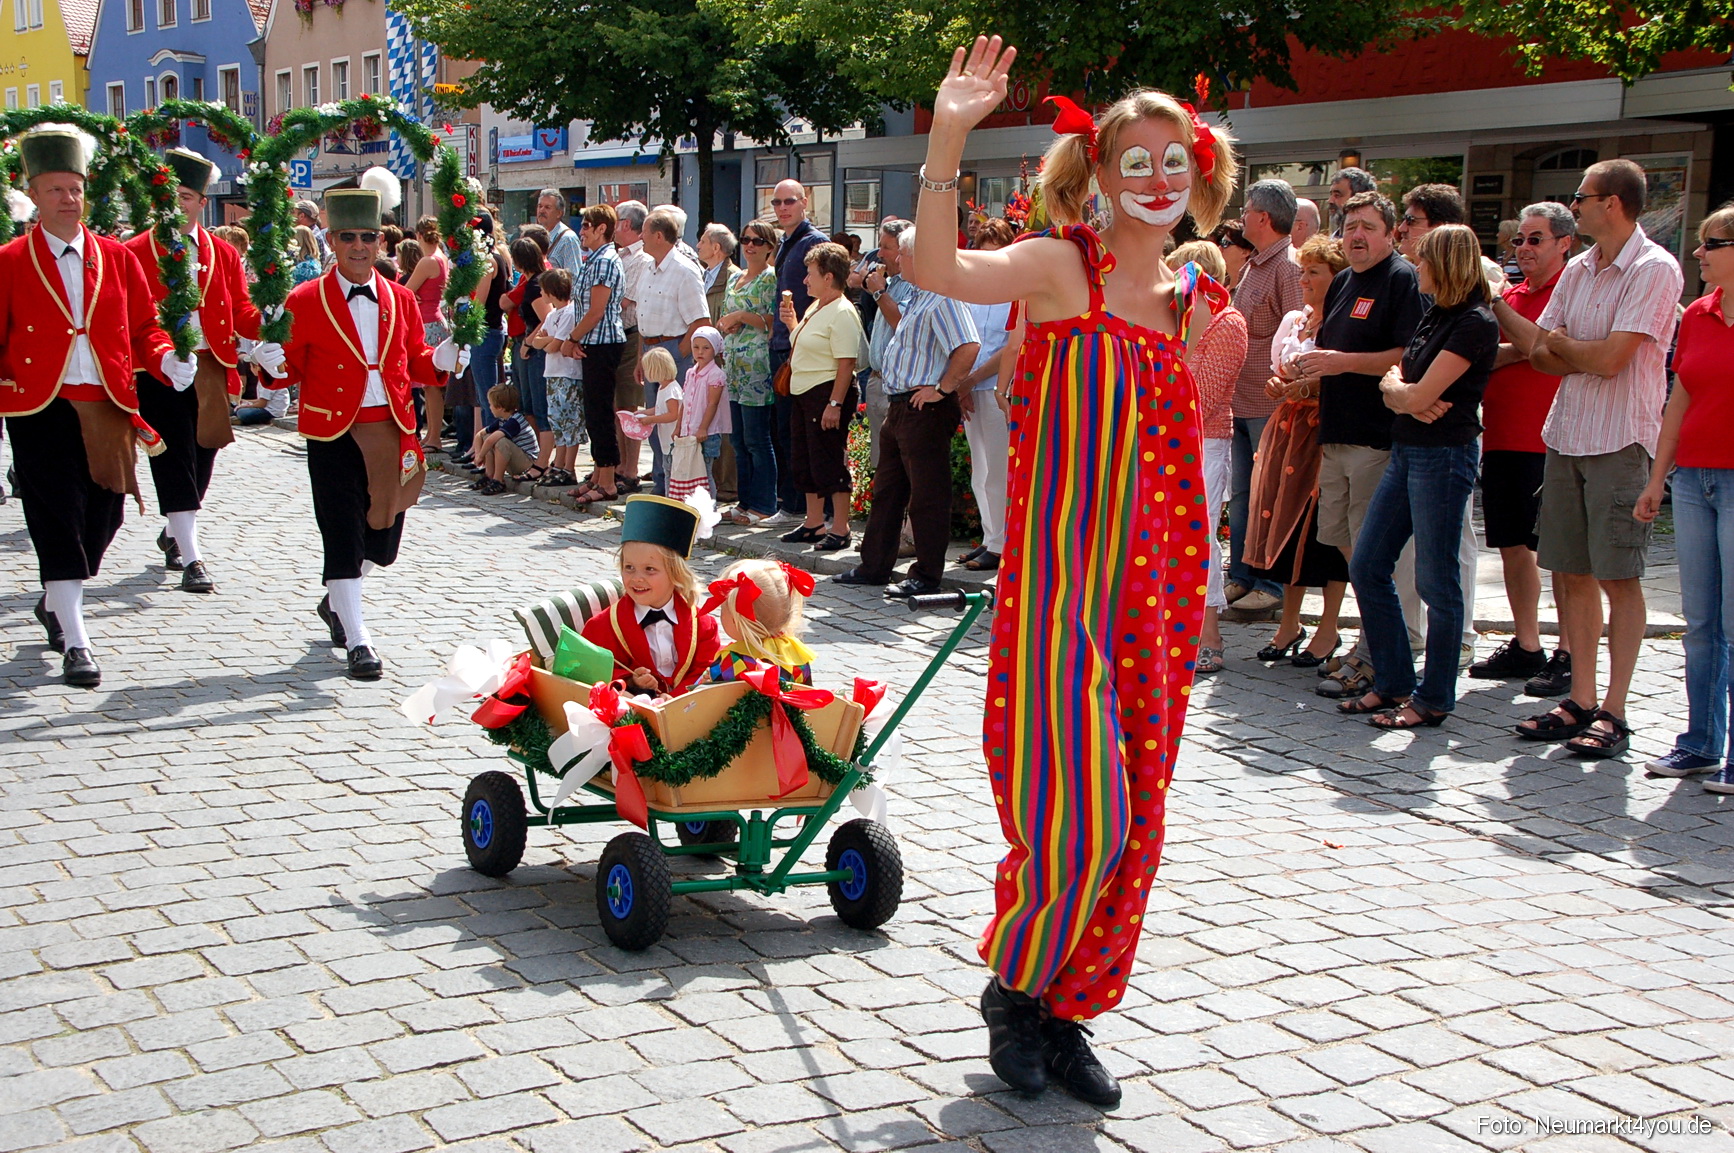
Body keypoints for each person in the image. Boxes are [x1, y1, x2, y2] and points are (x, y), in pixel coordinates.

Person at [909, 37, 1235, 1108]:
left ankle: (1069, 1010)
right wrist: (951, 135)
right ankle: (1015, 986)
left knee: (1134, 822)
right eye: (1133, 162)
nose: (1155, 179)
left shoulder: (1187, 290)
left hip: (1155, 593)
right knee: (1075, 817)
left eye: (1172, 161)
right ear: (1096, 176)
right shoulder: (1063, 266)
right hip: (1060, 595)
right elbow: (938, 270)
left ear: (1199, 173)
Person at [0, 125, 180, 687]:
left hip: (108, 402)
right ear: (34, 194)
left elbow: (145, 325)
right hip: (40, 406)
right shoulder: (8, 260)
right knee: (56, 515)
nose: (68, 199)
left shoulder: (116, 258)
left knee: (105, 514)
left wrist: (166, 355)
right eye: (55, 189)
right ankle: (76, 639)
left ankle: (57, 601)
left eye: (75, 188)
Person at [1517, 159, 1683, 759]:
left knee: (1619, 575)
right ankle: (1580, 697)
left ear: (1612, 203)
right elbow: (1539, 350)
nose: (1575, 206)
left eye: (1581, 197)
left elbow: (1614, 360)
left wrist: (1569, 347)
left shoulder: (1655, 269)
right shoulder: (1580, 269)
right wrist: (1572, 349)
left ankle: (1615, 709)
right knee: (1569, 571)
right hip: (1566, 434)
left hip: (1620, 440)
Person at [272, 187, 468, 680]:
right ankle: (359, 640)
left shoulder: (400, 299)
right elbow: (285, 367)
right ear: (332, 242)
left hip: (393, 429)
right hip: (333, 432)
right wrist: (268, 361)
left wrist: (440, 359)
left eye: (367, 237)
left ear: (380, 241)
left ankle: (336, 601)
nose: (359, 246)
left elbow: (415, 359)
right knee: (341, 531)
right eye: (347, 237)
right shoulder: (305, 298)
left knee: (381, 540)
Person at [1338, 225, 1498, 728]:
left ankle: (1433, 697)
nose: (1416, 266)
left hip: (1444, 456)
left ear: (1445, 264)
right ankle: (1393, 681)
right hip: (1409, 448)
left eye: (1424, 259)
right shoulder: (1436, 315)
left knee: (1436, 581)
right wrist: (1403, 392)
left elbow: (1418, 393)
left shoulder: (1474, 322)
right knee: (1367, 565)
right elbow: (1401, 384)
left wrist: (1409, 394)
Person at [127, 147, 276, 597]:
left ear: (202, 201)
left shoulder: (222, 253)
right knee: (175, 457)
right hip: (160, 369)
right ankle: (192, 557)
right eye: (171, 195)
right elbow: (135, 318)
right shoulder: (135, 251)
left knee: (205, 453)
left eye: (188, 196)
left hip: (212, 366)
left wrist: (270, 325)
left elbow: (240, 307)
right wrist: (161, 357)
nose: (180, 204)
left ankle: (175, 530)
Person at [1298, 192, 1426, 701]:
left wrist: (1340, 363)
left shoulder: (1402, 279)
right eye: (1350, 225)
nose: (1357, 235)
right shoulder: (1346, 280)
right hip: (1336, 432)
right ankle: (1369, 645)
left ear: (1391, 233)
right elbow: (1332, 350)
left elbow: (1406, 354)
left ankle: (1380, 655)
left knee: (1374, 557)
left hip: (1378, 437)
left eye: (1369, 227)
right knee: (1350, 549)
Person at [1635, 204, 1734, 789]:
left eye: (1711, 243)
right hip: (1694, 480)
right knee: (1701, 621)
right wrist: (1658, 478)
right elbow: (1679, 399)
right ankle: (1699, 742)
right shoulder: (1697, 314)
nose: (1697, 253)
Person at [832, 224, 978, 596]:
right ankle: (874, 566)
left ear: (920, 257)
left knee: (927, 495)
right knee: (887, 490)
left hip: (922, 406)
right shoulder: (918, 297)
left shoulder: (943, 297)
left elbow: (968, 346)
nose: (893, 258)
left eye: (902, 253)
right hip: (901, 405)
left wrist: (943, 388)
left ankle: (927, 575)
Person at [1471, 202, 1576, 687]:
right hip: (1502, 438)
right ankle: (1528, 644)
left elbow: (1551, 349)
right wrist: (1527, 348)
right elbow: (1487, 354)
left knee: (1559, 553)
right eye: (1520, 240)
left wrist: (1520, 338)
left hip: (1550, 439)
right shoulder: (1512, 294)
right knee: (1512, 546)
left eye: (1536, 240)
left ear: (1563, 244)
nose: (1525, 249)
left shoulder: (1571, 292)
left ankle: (1569, 651)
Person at [1245, 236, 1353, 668]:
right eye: (1303, 270)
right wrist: (1279, 386)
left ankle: (1328, 628)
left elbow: (1344, 377)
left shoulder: (1344, 323)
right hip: (1288, 428)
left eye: (1314, 272)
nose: (1304, 279)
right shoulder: (1296, 320)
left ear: (1336, 276)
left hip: (1322, 430)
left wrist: (1305, 387)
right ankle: (1289, 623)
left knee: (1322, 533)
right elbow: (1279, 372)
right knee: (1283, 529)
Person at [1223, 179, 1302, 614]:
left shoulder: (1288, 268)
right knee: (1242, 496)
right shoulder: (1256, 264)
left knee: (1267, 496)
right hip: (1240, 401)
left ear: (1264, 218)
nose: (1243, 216)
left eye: (1247, 209)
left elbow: (1297, 335)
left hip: (1268, 404)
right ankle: (1242, 575)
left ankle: (1268, 583)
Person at [1169, 240, 1247, 673]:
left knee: (1199, 538)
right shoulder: (1180, 319)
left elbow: (1202, 395)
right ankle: (1177, 631)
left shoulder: (1226, 321)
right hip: (1171, 439)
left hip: (1204, 440)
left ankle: (1209, 634)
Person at [580, 495, 720, 695]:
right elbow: (592, 673)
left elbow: (705, 671)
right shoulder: (602, 627)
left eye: (649, 569)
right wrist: (631, 681)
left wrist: (672, 700)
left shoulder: (703, 625)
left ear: (675, 574)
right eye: (629, 567)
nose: (637, 578)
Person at [780, 242, 864, 551]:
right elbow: (802, 342)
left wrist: (835, 404)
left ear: (828, 277)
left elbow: (847, 362)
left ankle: (840, 528)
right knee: (805, 459)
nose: (805, 280)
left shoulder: (842, 311)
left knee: (829, 459)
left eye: (810, 273)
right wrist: (791, 321)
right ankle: (813, 523)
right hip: (805, 393)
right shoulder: (817, 306)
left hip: (827, 392)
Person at [637, 207, 711, 497]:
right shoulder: (647, 266)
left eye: (644, 232)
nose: (640, 237)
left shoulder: (683, 269)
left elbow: (700, 320)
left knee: (674, 422)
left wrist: (679, 353)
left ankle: (679, 487)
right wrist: (643, 355)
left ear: (658, 235)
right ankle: (661, 482)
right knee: (655, 426)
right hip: (650, 349)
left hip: (672, 349)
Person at [766, 179, 828, 526]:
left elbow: (823, 297)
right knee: (785, 430)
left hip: (801, 346)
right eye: (776, 203)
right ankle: (791, 503)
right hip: (783, 344)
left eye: (789, 201)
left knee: (799, 433)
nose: (782, 208)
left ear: (805, 202)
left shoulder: (813, 242)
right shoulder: (787, 241)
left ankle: (802, 508)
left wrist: (798, 338)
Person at [959, 218, 1018, 573]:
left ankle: (1002, 544)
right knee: (980, 472)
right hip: (972, 389)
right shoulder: (974, 292)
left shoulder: (1013, 292)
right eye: (984, 254)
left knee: (998, 470)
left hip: (999, 390)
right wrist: (961, 385)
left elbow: (1010, 345)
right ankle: (989, 537)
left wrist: (974, 378)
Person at [567, 204, 629, 506]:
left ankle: (608, 481)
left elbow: (596, 311)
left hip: (603, 343)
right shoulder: (593, 260)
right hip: (593, 342)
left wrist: (572, 338)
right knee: (593, 412)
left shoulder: (605, 261)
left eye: (587, 226)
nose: (582, 232)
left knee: (600, 413)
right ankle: (597, 473)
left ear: (602, 228)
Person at [719, 219, 779, 525]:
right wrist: (727, 322)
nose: (750, 246)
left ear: (769, 247)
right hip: (733, 365)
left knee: (757, 438)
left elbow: (773, 319)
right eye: (745, 240)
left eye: (757, 241)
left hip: (757, 364)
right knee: (739, 440)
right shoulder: (734, 279)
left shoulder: (770, 279)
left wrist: (743, 315)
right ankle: (744, 502)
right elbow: (724, 316)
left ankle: (764, 503)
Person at [860, 219, 918, 469]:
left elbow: (901, 324)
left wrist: (878, 293)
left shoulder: (915, 285)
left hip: (900, 388)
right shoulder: (891, 281)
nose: (879, 254)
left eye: (886, 247)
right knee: (881, 464)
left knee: (900, 467)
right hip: (877, 380)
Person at [702, 559, 817, 685]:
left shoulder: (733, 659)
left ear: (737, 619)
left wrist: (705, 683)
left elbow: (713, 700)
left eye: (723, 608)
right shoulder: (797, 655)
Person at [530, 267, 585, 483]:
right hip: (552, 374)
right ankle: (559, 462)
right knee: (557, 420)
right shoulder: (553, 314)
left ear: (552, 292)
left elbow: (555, 346)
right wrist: (547, 340)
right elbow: (538, 342)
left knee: (570, 420)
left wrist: (547, 340)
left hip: (568, 375)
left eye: (543, 290)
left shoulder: (570, 313)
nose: (541, 294)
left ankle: (568, 467)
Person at [613, 200, 653, 491]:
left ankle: (631, 469)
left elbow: (624, 300)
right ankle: (619, 464)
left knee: (630, 403)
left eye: (616, 222)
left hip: (632, 333)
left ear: (626, 224)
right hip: (616, 335)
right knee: (617, 405)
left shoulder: (641, 257)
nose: (614, 228)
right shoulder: (620, 255)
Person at [507, 236, 554, 480]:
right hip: (527, 348)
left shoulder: (536, 284)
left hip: (536, 351)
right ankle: (537, 456)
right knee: (528, 406)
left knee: (540, 407)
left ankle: (543, 462)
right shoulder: (528, 281)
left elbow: (547, 318)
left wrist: (528, 342)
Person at [405, 216, 451, 453]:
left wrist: (412, 296)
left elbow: (405, 291)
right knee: (431, 385)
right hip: (436, 320)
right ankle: (432, 434)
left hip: (428, 323)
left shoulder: (427, 260)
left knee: (431, 385)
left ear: (420, 236)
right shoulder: (442, 258)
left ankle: (434, 436)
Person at [667, 326, 729, 502]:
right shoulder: (690, 373)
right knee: (689, 471)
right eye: (696, 347)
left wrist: (703, 427)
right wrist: (678, 426)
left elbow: (712, 403)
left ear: (715, 349)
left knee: (705, 471)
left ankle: (709, 508)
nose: (700, 352)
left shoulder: (715, 374)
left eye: (706, 348)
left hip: (706, 433)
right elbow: (685, 402)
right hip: (688, 431)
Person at [473, 383, 540, 495]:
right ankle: (489, 475)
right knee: (487, 436)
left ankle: (498, 480)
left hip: (527, 462)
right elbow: (480, 435)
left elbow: (491, 441)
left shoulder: (515, 421)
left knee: (500, 442)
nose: (489, 407)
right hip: (514, 459)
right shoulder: (503, 419)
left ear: (500, 407)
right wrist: (477, 453)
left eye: (491, 405)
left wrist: (480, 456)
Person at [698, 223, 740, 323]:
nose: (698, 245)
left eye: (703, 242)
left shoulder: (734, 277)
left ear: (716, 248)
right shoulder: (701, 275)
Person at [536, 188, 581, 275]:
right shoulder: (538, 235)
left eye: (547, 207)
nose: (541, 210)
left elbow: (574, 276)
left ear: (559, 213)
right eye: (540, 206)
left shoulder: (568, 239)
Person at [1327, 166, 1376, 237]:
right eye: (1331, 194)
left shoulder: (1369, 242)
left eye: (1337, 195)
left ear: (1358, 199)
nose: (1330, 201)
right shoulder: (1332, 240)